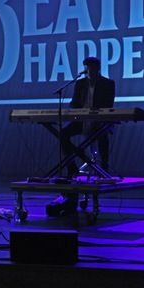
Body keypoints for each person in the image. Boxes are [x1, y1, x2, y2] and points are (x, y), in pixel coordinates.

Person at [47, 56, 116, 216]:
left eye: (90, 68)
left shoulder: (108, 83)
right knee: (63, 133)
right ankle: (72, 166)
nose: (88, 71)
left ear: (97, 68)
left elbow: (108, 104)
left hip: (99, 119)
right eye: (86, 68)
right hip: (82, 119)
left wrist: (95, 114)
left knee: (102, 132)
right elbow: (74, 102)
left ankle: (103, 168)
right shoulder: (80, 83)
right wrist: (76, 109)